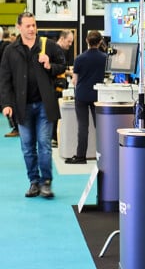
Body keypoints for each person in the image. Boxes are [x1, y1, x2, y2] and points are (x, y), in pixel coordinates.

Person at [0, 12, 67, 198]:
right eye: (28, 26)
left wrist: (49, 66)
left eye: (34, 25)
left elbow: (63, 65)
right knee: (28, 147)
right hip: (22, 107)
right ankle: (34, 182)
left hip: (45, 105)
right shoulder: (10, 50)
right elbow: (4, 79)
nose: (32, 29)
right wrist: (6, 103)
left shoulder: (48, 45)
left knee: (44, 144)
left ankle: (46, 182)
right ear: (19, 27)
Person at [65, 30, 107, 164]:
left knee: (83, 127)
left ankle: (80, 156)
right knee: (99, 127)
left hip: (81, 95)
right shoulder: (105, 58)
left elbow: (75, 80)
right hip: (97, 95)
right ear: (100, 41)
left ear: (86, 41)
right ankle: (105, 155)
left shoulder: (79, 58)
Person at [50, 29, 74, 147]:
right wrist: (69, 73)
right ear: (62, 38)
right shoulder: (54, 50)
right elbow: (55, 69)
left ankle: (55, 137)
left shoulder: (60, 51)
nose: (70, 44)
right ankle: (53, 137)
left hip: (60, 86)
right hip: (55, 88)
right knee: (55, 113)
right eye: (69, 41)